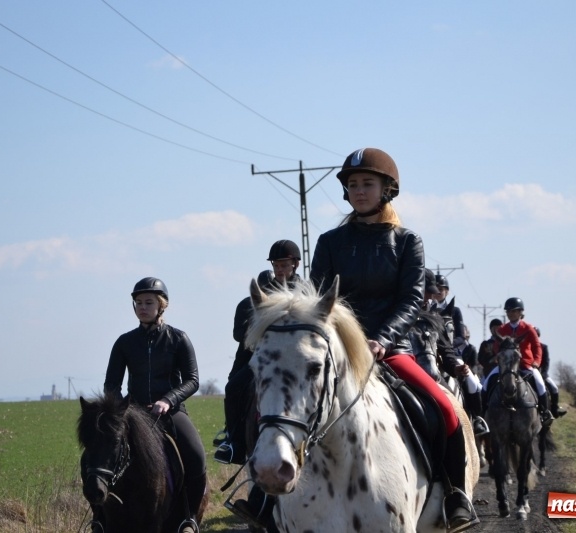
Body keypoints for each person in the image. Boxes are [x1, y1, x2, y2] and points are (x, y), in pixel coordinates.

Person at [310, 147, 478, 532]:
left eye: (367, 183)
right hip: (338, 351)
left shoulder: (407, 242)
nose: (359, 191)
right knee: (279, 407)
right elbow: (319, 299)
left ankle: (455, 495)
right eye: (352, 185)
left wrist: (382, 339)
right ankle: (267, 498)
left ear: (388, 189)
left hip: (389, 350)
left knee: (446, 410)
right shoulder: (329, 243)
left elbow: (409, 301)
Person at [101, 277, 207, 533]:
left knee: (196, 457)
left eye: (148, 302)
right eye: (138, 302)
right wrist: (120, 411)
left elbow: (193, 381)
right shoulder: (124, 342)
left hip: (171, 413)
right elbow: (111, 385)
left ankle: (189, 519)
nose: (142, 307)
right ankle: (100, 521)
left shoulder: (179, 339)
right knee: (96, 457)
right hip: (133, 414)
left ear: (162, 305)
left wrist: (168, 401)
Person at [215, 240, 303, 464]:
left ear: (295, 264)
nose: (280, 270)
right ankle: (233, 441)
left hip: (296, 358)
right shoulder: (261, 296)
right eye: (276, 266)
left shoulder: (305, 293)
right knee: (233, 386)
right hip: (263, 357)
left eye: (284, 265)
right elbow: (243, 333)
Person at [484, 297, 554, 426]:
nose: (511, 313)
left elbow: (537, 346)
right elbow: (495, 346)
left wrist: (536, 362)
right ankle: (482, 415)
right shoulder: (503, 329)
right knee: (486, 383)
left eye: (514, 311)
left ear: (521, 312)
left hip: (525, 364)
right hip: (506, 366)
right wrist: (499, 356)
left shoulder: (528, 328)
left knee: (540, 384)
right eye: (508, 311)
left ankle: (545, 412)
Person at [535, 326, 567, 418]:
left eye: (536, 335)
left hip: (542, 373)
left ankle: (555, 408)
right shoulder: (527, 348)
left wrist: (543, 374)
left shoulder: (544, 347)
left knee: (554, 388)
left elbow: (546, 362)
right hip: (530, 373)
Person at [433, 273, 467, 348]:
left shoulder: (455, 311)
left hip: (450, 348)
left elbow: (461, 337)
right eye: (435, 289)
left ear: (447, 292)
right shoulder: (426, 309)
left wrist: (448, 344)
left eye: (440, 289)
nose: (437, 292)